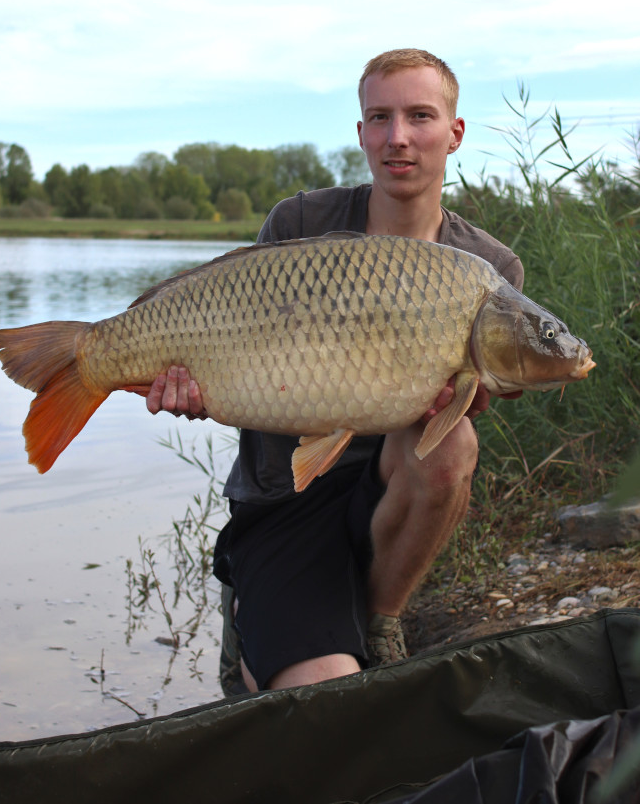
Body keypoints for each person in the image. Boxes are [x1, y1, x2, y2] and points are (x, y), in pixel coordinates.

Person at [145, 49, 524, 696]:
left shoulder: (487, 267)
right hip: (283, 495)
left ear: (453, 133)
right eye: (379, 117)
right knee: (326, 691)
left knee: (452, 441)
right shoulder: (299, 222)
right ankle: (263, 618)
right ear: (360, 133)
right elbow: (237, 347)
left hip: (384, 487)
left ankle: (378, 620)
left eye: (419, 116)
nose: (396, 137)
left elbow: (449, 431)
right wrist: (195, 384)